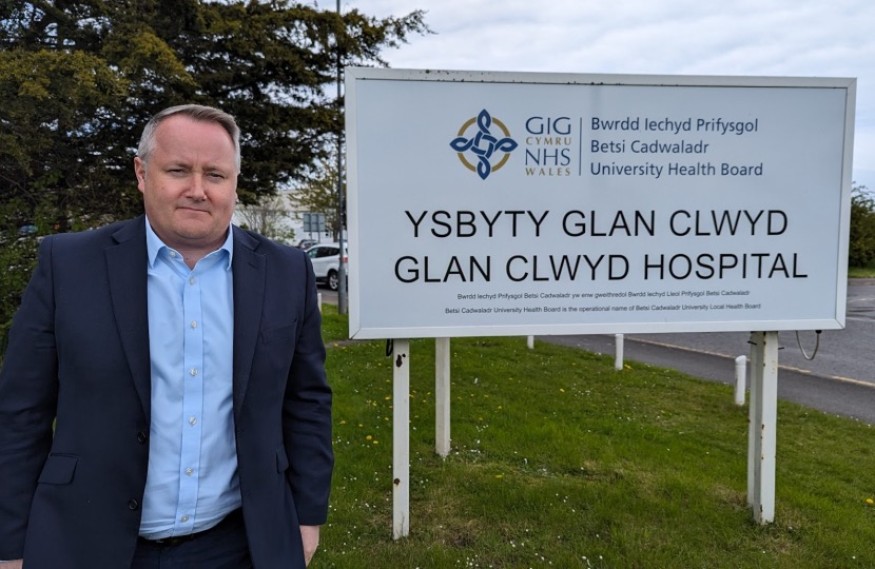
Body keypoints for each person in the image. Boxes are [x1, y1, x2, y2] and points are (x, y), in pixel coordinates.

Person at [0, 104, 334, 568]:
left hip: (238, 544)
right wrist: (10, 545)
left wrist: (309, 515)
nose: (197, 190)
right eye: (178, 170)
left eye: (215, 174)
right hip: (88, 541)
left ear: (235, 182)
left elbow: (307, 400)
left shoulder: (286, 271)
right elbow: (20, 413)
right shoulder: (69, 266)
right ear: (142, 173)